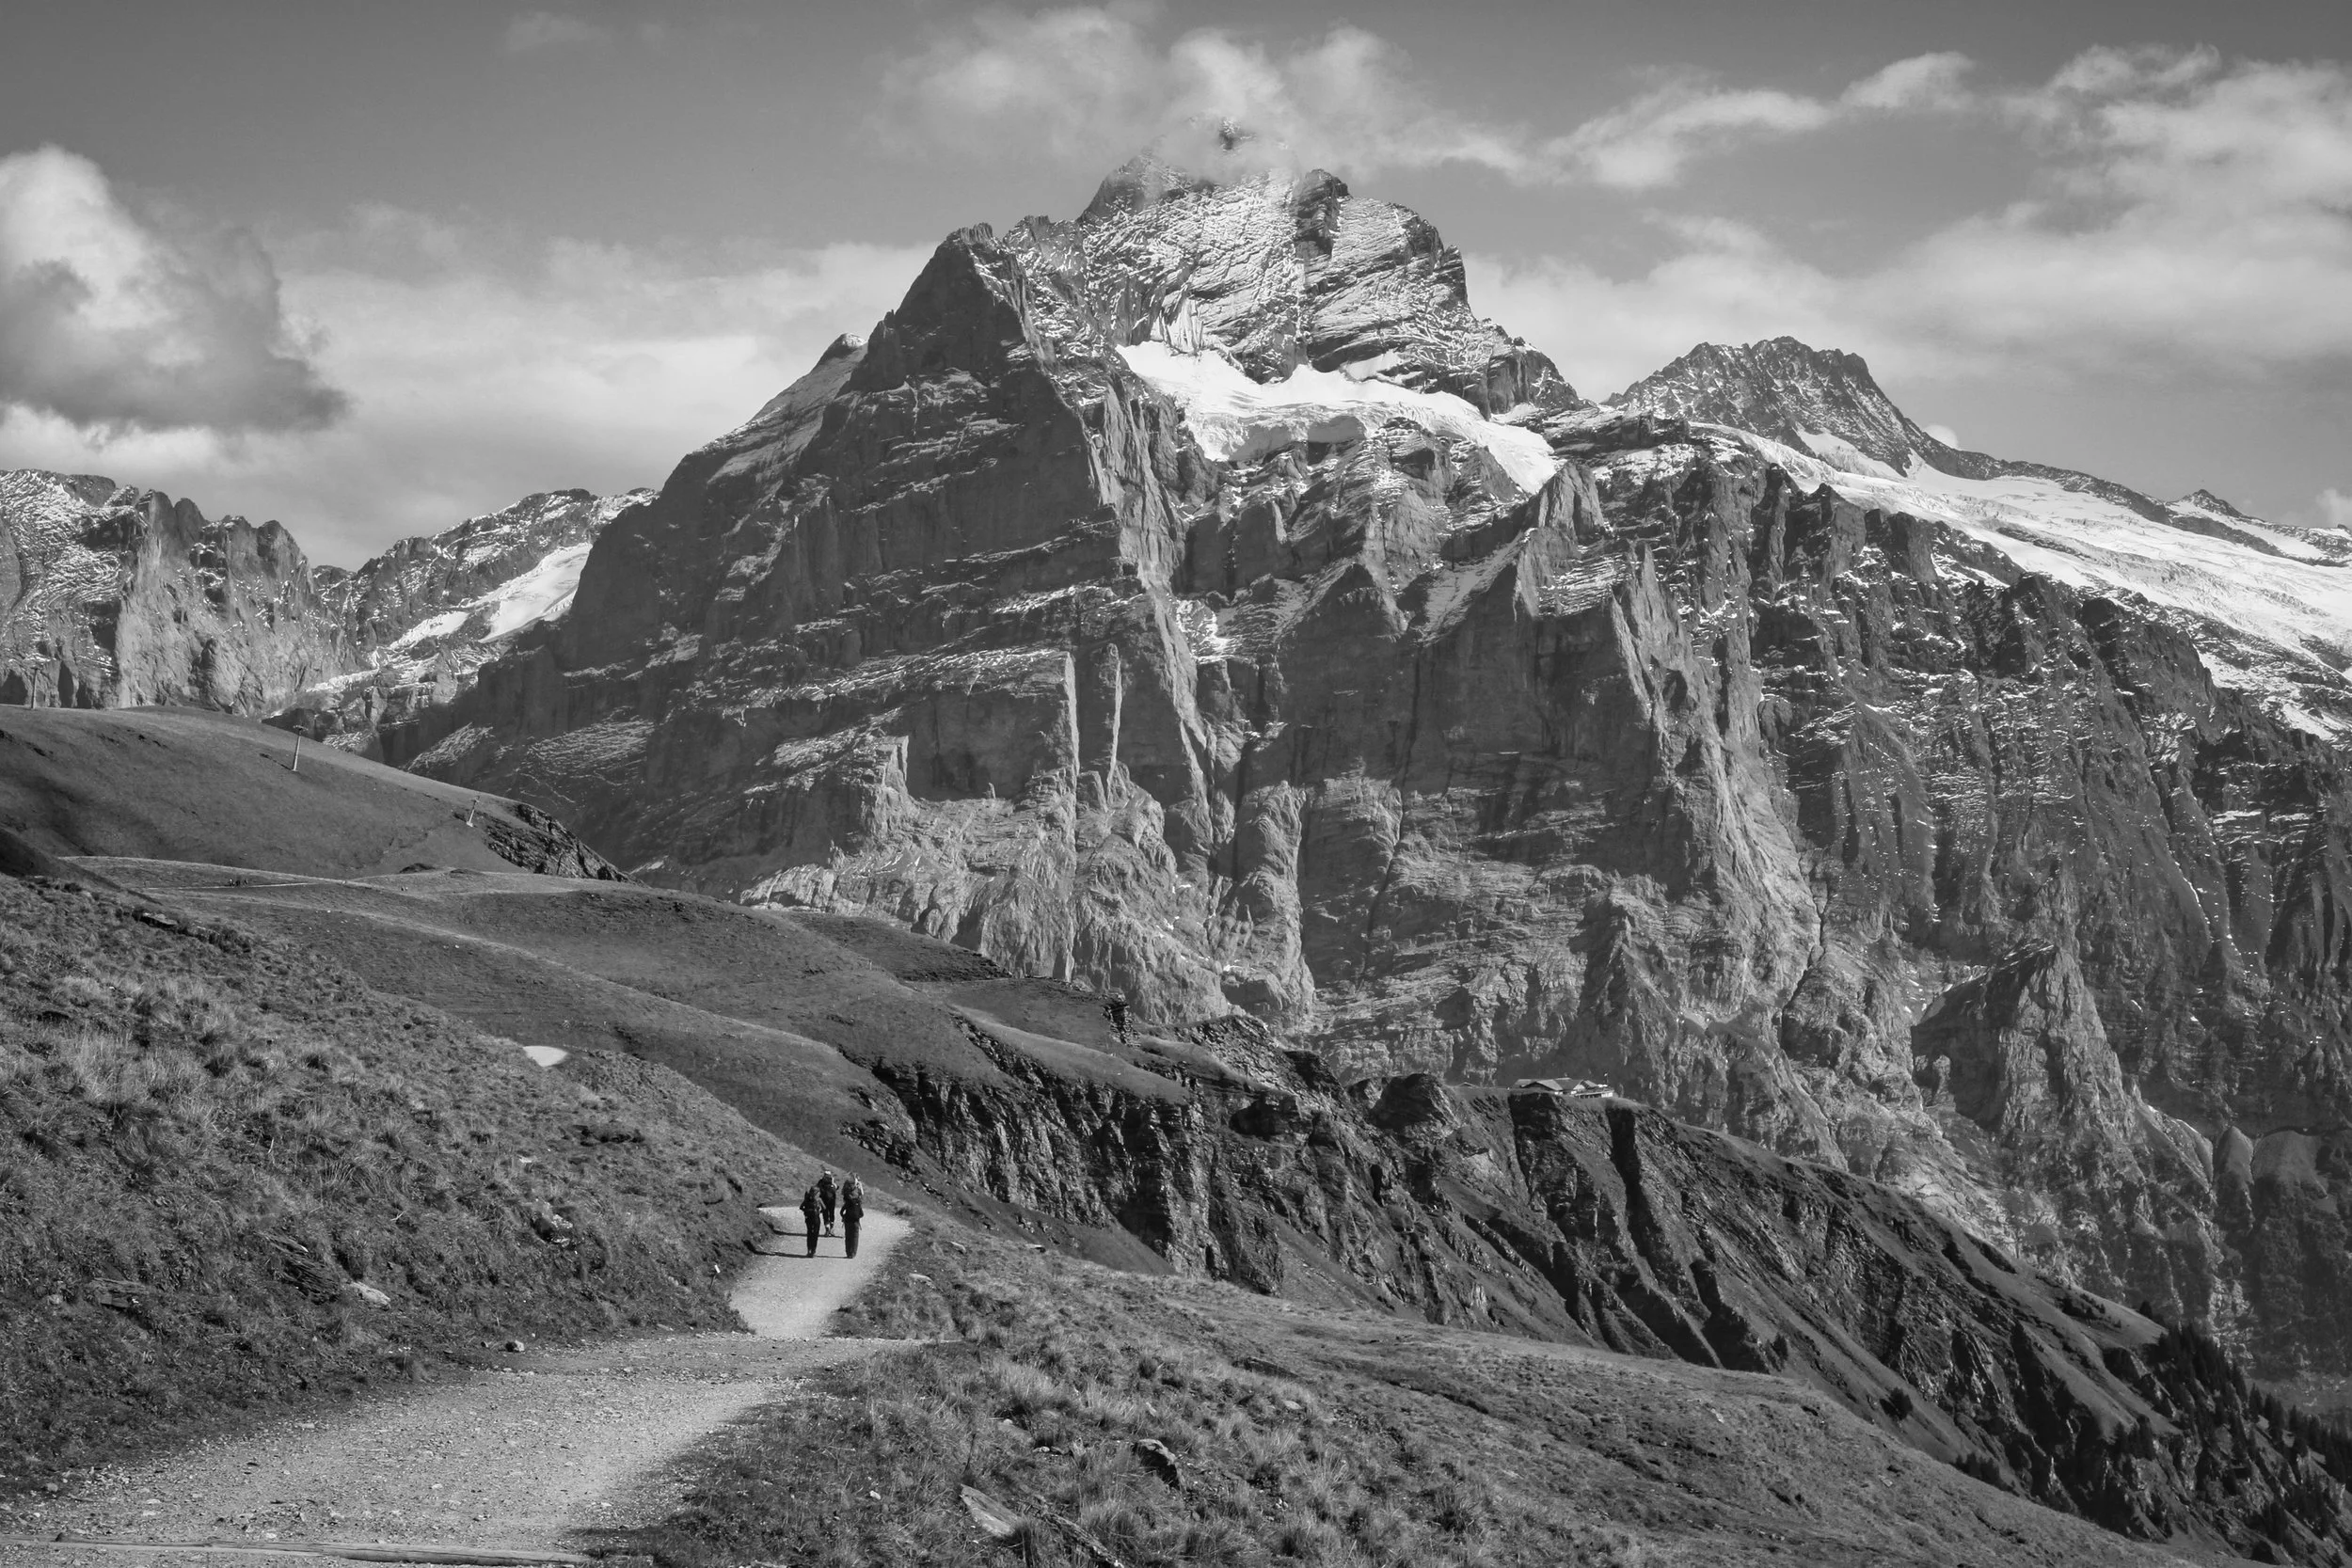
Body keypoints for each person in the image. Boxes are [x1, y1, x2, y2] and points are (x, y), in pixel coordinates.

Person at [840, 1174, 865, 1259]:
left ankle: (848, 1253)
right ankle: (853, 1253)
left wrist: (843, 1216)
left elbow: (841, 1212)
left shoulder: (847, 1202)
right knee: (855, 1237)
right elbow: (862, 1214)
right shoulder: (858, 1201)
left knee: (848, 1236)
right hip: (855, 1221)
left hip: (847, 1219)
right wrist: (857, 1215)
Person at [797, 1184, 823, 1258]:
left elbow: (801, 1207)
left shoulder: (807, 1199)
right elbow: (824, 1208)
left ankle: (809, 1250)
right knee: (815, 1234)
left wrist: (806, 1211)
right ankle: (813, 1251)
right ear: (817, 1193)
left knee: (809, 1233)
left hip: (808, 1218)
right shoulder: (819, 1199)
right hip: (816, 1218)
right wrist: (819, 1212)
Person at [816, 1169, 839, 1236]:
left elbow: (817, 1188)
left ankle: (827, 1230)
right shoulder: (832, 1181)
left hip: (823, 1200)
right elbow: (836, 1188)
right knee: (832, 1214)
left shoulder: (821, 1181)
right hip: (832, 1200)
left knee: (825, 1214)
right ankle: (831, 1229)